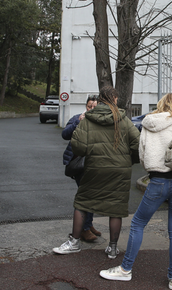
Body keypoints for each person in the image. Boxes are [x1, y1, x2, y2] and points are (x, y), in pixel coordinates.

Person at [99, 93, 172, 290]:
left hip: (158, 181)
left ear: (161, 104)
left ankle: (125, 270)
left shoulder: (148, 124)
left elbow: (142, 155)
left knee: (138, 224)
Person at [52, 85, 140, 259]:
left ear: (100, 100)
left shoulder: (88, 119)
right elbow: (137, 143)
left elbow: (78, 146)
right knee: (116, 207)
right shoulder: (124, 119)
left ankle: (74, 242)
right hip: (120, 171)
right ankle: (113, 248)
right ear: (115, 100)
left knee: (82, 202)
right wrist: (130, 160)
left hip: (94, 168)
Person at [61, 95, 101, 242]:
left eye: (94, 107)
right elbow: (65, 135)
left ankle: (88, 224)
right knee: (85, 195)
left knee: (92, 194)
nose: (91, 109)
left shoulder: (99, 122)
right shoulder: (77, 118)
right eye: (89, 106)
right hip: (79, 164)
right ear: (86, 106)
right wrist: (78, 122)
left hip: (94, 163)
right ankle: (83, 229)